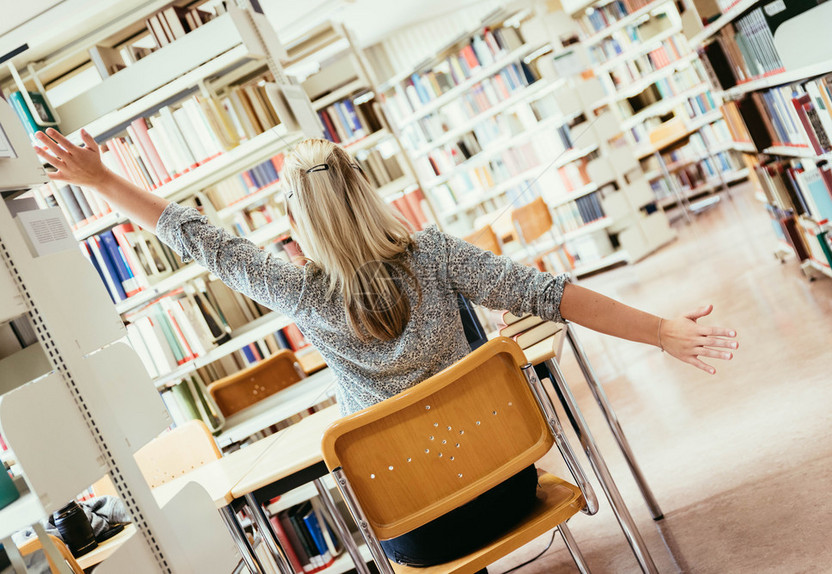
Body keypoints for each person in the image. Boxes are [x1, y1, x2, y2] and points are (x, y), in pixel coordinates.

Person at [34, 129, 738, 569]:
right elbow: (552, 294)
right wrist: (663, 331)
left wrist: (99, 180)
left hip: (417, 533)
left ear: (296, 221)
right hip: (509, 486)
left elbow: (201, 240)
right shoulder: (433, 256)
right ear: (366, 190)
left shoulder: (299, 291)